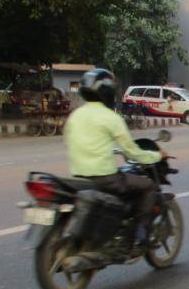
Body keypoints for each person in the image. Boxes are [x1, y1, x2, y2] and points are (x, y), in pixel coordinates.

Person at [64, 68, 165, 252]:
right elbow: (132, 151)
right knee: (148, 186)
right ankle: (142, 235)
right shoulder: (110, 117)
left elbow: (70, 142)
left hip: (78, 178)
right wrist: (157, 155)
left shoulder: (75, 116)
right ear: (107, 91)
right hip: (104, 178)